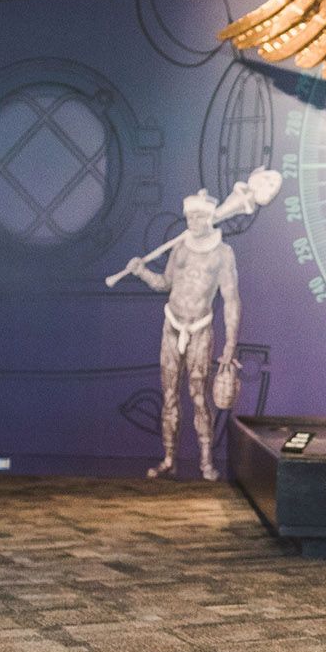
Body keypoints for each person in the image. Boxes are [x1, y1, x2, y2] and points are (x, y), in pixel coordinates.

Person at [125, 191, 241, 481]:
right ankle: (168, 458)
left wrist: (230, 343)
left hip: (199, 329)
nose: (193, 221)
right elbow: (165, 284)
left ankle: (205, 461)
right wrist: (141, 272)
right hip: (172, 325)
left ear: (210, 217)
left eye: (199, 216)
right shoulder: (180, 248)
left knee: (199, 397)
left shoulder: (222, 254)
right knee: (169, 397)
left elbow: (231, 300)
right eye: (189, 216)